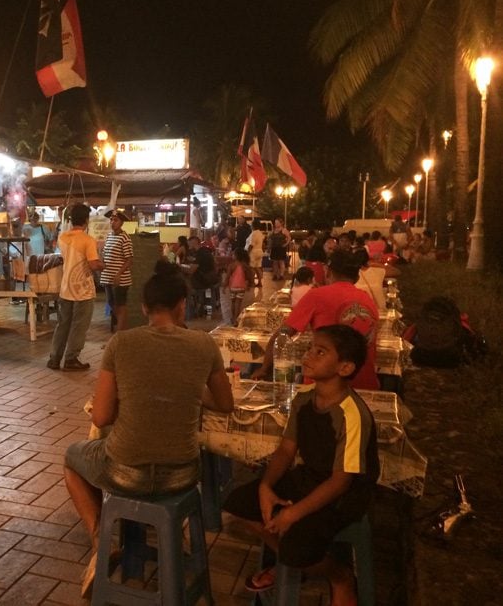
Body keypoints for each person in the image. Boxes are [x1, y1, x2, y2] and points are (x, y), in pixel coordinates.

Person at [63, 261, 235, 597]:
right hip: (183, 475)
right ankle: (155, 541)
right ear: (181, 305)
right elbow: (225, 404)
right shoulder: (203, 344)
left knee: (72, 458)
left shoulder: (121, 343)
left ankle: (101, 540)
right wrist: (188, 387)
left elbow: (100, 417)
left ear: (143, 308)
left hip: (127, 472)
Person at [223, 325, 379, 606]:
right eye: (310, 348)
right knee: (237, 503)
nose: (308, 355)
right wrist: (266, 487)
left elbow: (341, 481)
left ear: (344, 368)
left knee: (296, 546)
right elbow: (286, 449)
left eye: (320, 352)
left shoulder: (352, 414)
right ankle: (290, 561)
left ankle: (338, 574)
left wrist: (292, 514)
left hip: (345, 495)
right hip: (309, 479)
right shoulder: (304, 398)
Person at [252, 250, 380, 390]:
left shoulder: (316, 296)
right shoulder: (367, 299)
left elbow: (283, 334)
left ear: (328, 272)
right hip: (365, 385)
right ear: (356, 277)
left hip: (325, 388)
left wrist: (264, 368)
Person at [48, 203, 105, 371]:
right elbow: (94, 265)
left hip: (66, 288)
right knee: (79, 325)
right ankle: (71, 359)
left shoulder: (63, 237)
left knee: (63, 324)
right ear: (86, 220)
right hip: (83, 290)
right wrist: (105, 264)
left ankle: (54, 358)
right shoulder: (88, 240)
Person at [100, 210, 133, 333]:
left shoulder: (125, 237)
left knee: (120, 305)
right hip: (107, 277)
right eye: (111, 220)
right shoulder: (109, 236)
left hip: (120, 279)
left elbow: (130, 260)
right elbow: (105, 255)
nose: (112, 222)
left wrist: (119, 274)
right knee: (111, 303)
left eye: (115, 220)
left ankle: (120, 333)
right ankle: (122, 330)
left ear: (121, 223)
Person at [223, 247, 255, 323]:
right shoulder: (245, 266)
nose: (232, 255)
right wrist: (250, 284)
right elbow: (249, 276)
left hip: (232, 287)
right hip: (241, 287)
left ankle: (232, 317)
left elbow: (227, 277)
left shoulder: (231, 265)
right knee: (238, 302)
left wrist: (224, 286)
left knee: (233, 302)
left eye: (233, 254)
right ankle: (236, 318)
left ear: (236, 256)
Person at [246, 220, 265, 287]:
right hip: (259, 251)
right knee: (258, 267)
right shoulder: (260, 233)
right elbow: (263, 244)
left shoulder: (254, 233)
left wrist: (247, 253)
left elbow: (251, 245)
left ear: (253, 226)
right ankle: (260, 282)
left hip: (253, 252)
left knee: (252, 267)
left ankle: (252, 282)